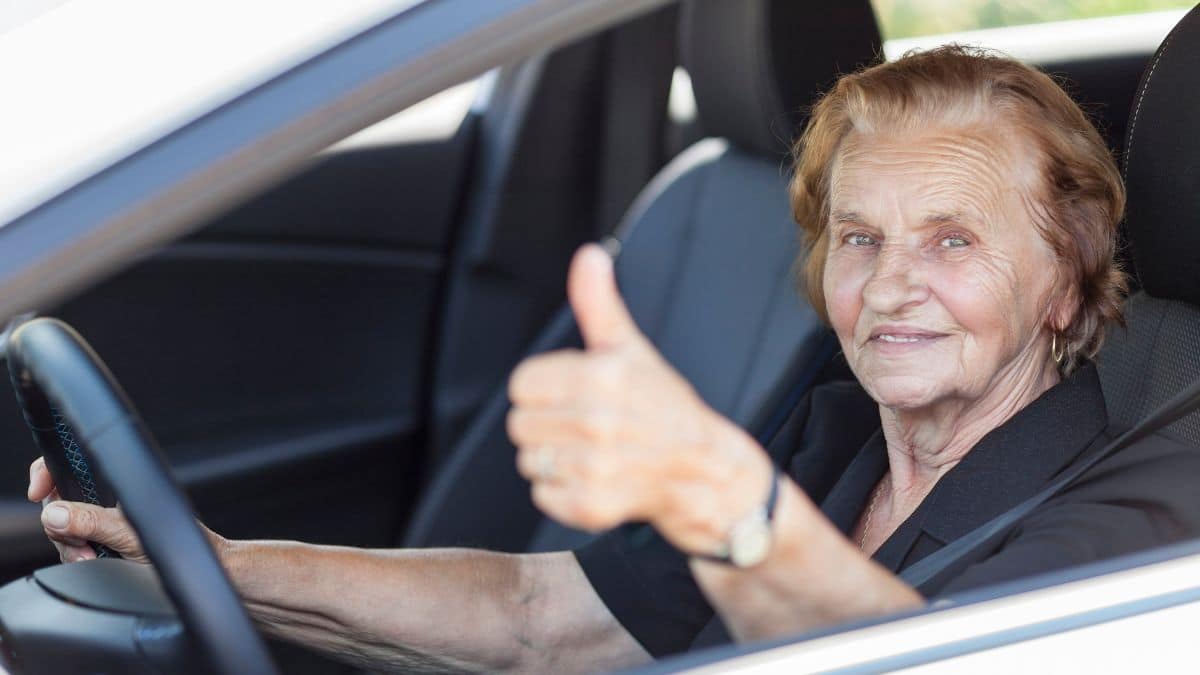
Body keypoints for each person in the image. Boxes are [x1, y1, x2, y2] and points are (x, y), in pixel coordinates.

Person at [27, 45, 1200, 672]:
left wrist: (724, 505)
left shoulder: (1148, 494)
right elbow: (550, 621)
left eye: (952, 239)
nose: (891, 284)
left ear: (1067, 273)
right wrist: (221, 564)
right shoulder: (834, 421)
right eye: (859, 237)